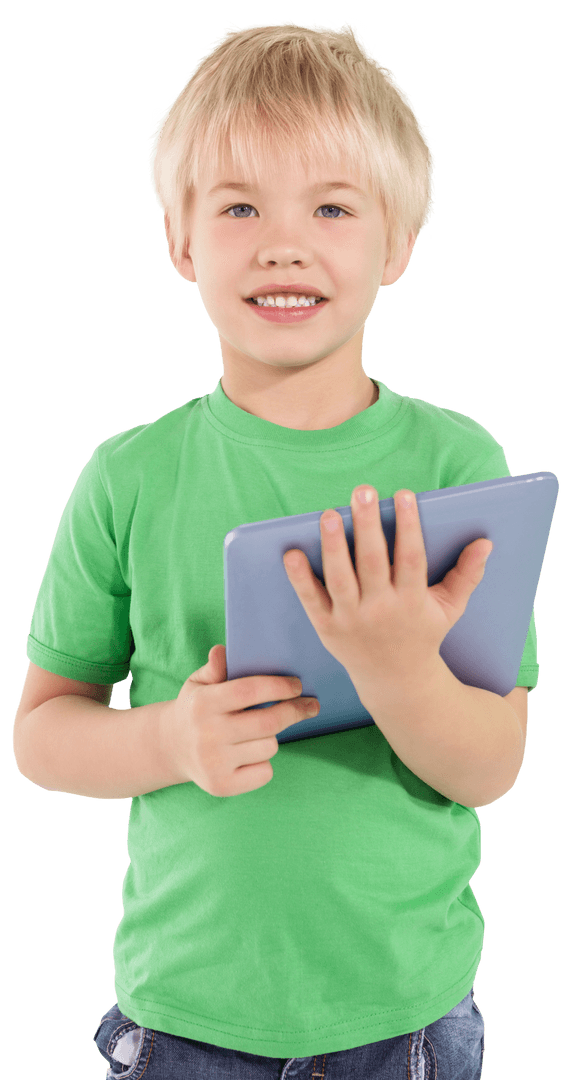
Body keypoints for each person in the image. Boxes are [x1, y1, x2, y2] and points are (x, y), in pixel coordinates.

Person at [12, 18, 538, 1080]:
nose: (282, 243)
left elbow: (490, 764)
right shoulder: (127, 474)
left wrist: (395, 667)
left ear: (394, 243)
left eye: (332, 208)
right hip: (183, 1019)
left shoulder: (456, 461)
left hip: (406, 1024)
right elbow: (41, 734)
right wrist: (169, 741)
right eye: (240, 206)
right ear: (182, 242)